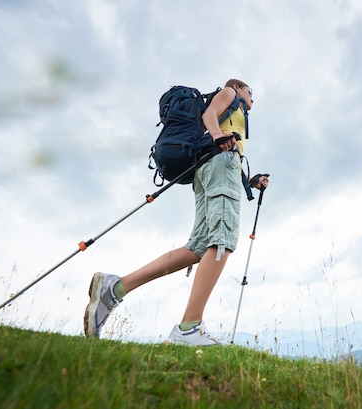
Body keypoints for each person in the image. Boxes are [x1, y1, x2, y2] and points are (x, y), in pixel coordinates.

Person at [84, 79, 268, 346]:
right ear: (239, 88)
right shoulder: (230, 93)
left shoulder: (236, 114)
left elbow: (227, 149)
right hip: (219, 165)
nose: (253, 98)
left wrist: (251, 180)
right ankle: (189, 327)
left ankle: (115, 288)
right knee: (222, 240)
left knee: (198, 248)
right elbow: (209, 116)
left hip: (213, 169)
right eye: (251, 92)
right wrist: (218, 136)